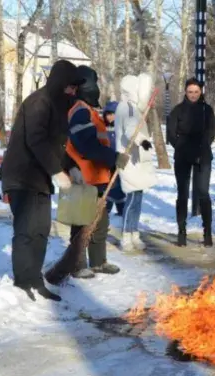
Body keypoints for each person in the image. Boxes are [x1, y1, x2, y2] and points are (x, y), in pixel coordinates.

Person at [0, 60, 84, 302]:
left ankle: (35, 279)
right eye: (69, 87)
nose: (72, 93)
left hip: (40, 178)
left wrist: (70, 167)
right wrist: (57, 171)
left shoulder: (58, 108)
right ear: (59, 83)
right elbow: (36, 139)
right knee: (26, 230)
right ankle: (22, 282)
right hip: (22, 176)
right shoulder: (39, 102)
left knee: (41, 230)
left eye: (74, 89)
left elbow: (56, 145)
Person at [64, 65, 130, 279]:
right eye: (96, 83)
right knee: (82, 223)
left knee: (100, 223)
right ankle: (76, 263)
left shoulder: (90, 111)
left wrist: (111, 162)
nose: (98, 88)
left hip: (97, 177)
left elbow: (99, 142)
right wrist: (113, 158)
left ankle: (98, 261)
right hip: (82, 176)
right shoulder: (80, 110)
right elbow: (86, 145)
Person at [166, 77, 215, 247]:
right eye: (190, 92)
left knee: (203, 192)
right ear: (185, 92)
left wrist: (201, 149)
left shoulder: (207, 110)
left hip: (203, 155)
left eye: (196, 91)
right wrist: (182, 147)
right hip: (182, 155)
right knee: (183, 193)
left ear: (200, 92)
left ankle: (207, 232)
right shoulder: (177, 111)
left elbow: (211, 132)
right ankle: (181, 231)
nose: (193, 95)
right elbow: (171, 134)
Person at [115, 73, 157, 252]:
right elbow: (129, 130)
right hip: (129, 158)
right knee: (132, 199)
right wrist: (143, 141)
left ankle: (134, 232)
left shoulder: (133, 108)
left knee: (137, 199)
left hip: (136, 160)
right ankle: (126, 235)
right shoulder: (127, 107)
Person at [103, 101, 126, 216]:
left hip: (119, 161)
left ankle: (121, 210)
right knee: (108, 186)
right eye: (108, 114)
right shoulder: (103, 128)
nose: (110, 117)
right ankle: (105, 210)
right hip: (106, 162)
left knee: (118, 187)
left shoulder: (121, 129)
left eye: (113, 114)